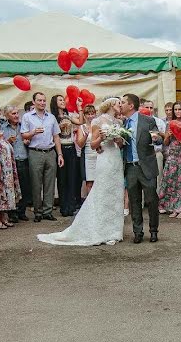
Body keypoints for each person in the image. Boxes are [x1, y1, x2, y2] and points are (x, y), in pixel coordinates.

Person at [37, 98, 126, 246]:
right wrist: (103, 137)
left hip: (116, 158)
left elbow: (121, 144)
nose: (120, 106)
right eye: (118, 103)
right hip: (104, 159)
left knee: (116, 193)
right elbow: (92, 145)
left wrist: (118, 139)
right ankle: (100, 228)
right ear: (111, 105)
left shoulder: (119, 123)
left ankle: (114, 230)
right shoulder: (98, 121)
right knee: (102, 191)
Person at [121, 94, 162, 242]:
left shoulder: (148, 121)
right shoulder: (122, 124)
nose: (120, 105)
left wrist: (157, 138)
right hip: (131, 167)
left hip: (147, 166)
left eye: (123, 103)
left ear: (131, 106)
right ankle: (137, 232)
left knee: (151, 200)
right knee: (134, 201)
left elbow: (159, 139)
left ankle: (153, 231)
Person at [21, 92, 64, 222]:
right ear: (34, 102)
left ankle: (48, 211)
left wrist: (60, 154)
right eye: (39, 100)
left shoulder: (51, 117)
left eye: (44, 100)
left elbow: (56, 136)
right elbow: (23, 135)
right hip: (35, 151)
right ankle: (38, 212)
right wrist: (33, 132)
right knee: (36, 183)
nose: (42, 103)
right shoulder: (27, 117)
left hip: (50, 152)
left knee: (50, 183)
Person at [159, 102, 181, 218]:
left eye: (179, 109)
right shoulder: (170, 123)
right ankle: (174, 207)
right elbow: (165, 143)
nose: (177, 112)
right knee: (172, 180)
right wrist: (168, 136)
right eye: (175, 110)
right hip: (172, 154)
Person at [51, 94, 83, 217]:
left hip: (71, 148)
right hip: (60, 148)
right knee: (62, 178)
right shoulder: (52, 117)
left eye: (63, 99)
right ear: (55, 102)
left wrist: (79, 107)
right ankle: (64, 207)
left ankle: (71, 205)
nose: (63, 101)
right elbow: (54, 134)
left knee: (72, 178)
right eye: (60, 100)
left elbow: (80, 122)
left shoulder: (68, 115)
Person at [2, 105, 30, 222]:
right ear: (7, 115)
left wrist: (28, 141)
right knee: (11, 187)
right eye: (13, 114)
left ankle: (21, 211)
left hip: (23, 159)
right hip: (10, 162)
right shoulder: (3, 128)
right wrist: (7, 142)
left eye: (17, 113)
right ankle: (12, 212)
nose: (16, 116)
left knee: (24, 187)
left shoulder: (23, 126)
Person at [79, 104, 98, 192]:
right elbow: (80, 144)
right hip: (87, 157)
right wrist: (86, 135)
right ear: (85, 115)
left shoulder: (98, 126)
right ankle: (90, 204)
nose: (91, 116)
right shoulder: (81, 127)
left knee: (99, 181)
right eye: (88, 114)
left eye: (92, 114)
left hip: (98, 155)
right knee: (89, 182)